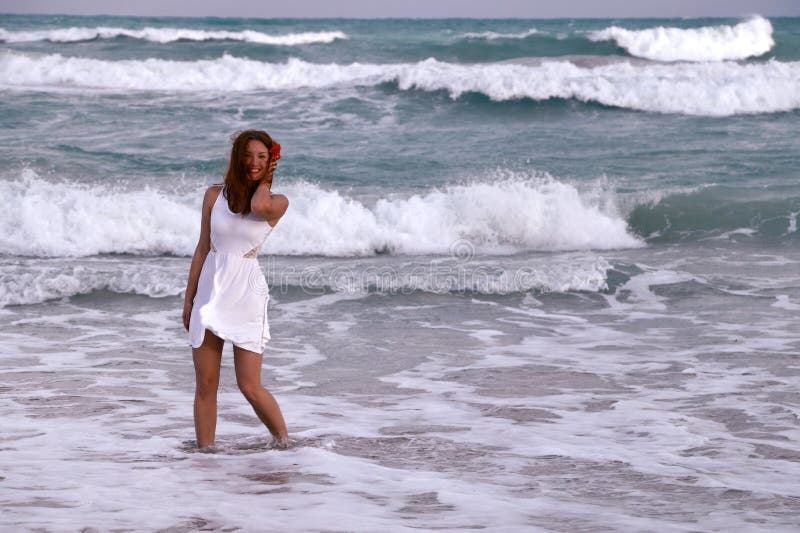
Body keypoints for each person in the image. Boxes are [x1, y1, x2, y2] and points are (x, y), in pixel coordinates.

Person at [182, 129, 289, 449]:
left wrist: (267, 176)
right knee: (206, 385)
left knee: (249, 385)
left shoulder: (277, 202)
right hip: (210, 289)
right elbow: (202, 248)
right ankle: (206, 455)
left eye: (262, 157)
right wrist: (188, 301)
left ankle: (285, 443)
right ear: (237, 158)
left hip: (246, 293)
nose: (254, 163)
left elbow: (258, 207)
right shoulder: (214, 196)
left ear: (271, 162)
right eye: (248, 156)